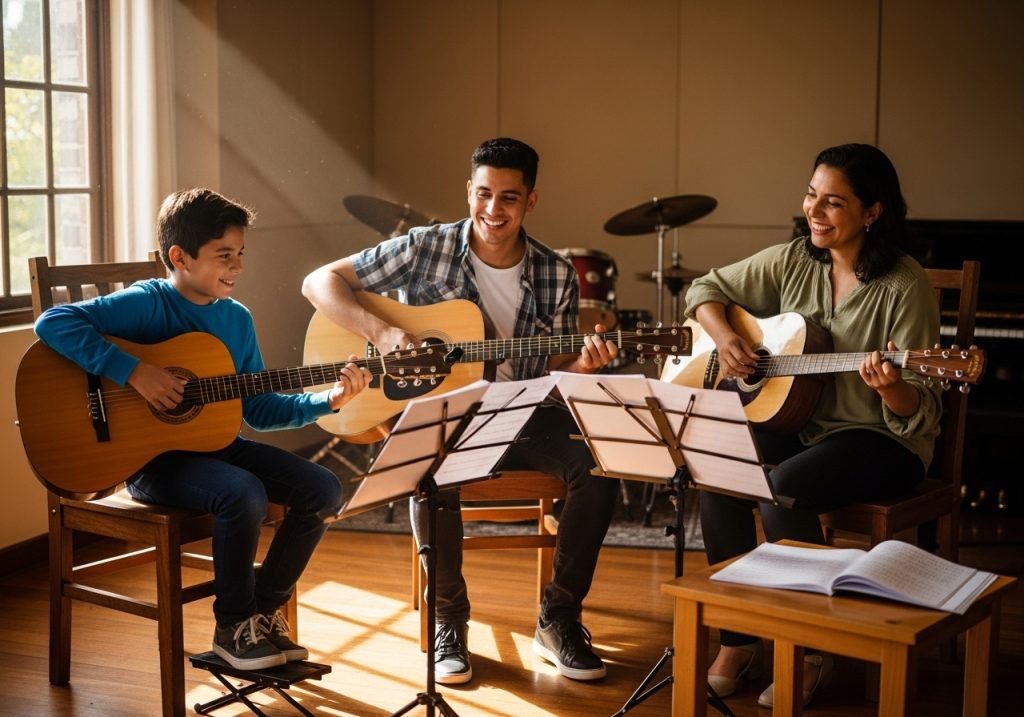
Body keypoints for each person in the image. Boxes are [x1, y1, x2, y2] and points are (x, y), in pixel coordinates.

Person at [302, 137, 621, 684]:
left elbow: (553, 369)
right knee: (429, 467)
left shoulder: (556, 273)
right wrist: (382, 332)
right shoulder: (424, 247)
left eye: (509, 199)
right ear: (468, 190)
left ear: (531, 201)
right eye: (484, 194)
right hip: (444, 410)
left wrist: (586, 367)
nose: (493, 211)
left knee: (598, 464)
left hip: (521, 408)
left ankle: (559, 619)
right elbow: (319, 282)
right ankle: (450, 620)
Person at [34, 188, 371, 671]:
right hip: (149, 463)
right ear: (180, 257)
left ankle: (262, 610)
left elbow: (258, 409)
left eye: (240, 255)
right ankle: (232, 628)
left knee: (324, 488)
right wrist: (134, 372)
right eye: (224, 256)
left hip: (217, 447)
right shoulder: (147, 304)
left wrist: (328, 401)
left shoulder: (236, 320)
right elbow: (53, 321)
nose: (236, 267)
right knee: (243, 493)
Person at [684, 143, 942, 708]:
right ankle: (738, 638)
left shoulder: (905, 284)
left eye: (833, 204)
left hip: (881, 438)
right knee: (717, 466)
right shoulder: (796, 259)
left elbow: (916, 408)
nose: (814, 213)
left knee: (782, 491)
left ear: (872, 213)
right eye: (810, 196)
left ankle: (809, 649)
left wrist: (891, 384)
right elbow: (702, 289)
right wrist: (727, 339)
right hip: (804, 424)